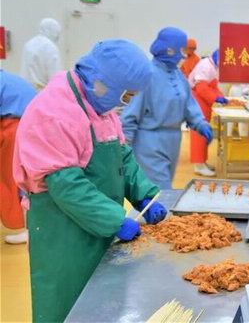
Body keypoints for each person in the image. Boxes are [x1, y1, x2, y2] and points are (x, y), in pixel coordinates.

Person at [12, 39, 168, 322]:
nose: (127, 103)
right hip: (63, 230)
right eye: (127, 95)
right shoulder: (54, 112)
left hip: (96, 222)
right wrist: (114, 220)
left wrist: (144, 194)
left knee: (101, 300)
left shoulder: (99, 105)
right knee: (67, 302)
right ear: (104, 84)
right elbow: (67, 185)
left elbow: (120, 155)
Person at [120, 27, 212, 189]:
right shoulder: (147, 75)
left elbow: (188, 104)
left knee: (162, 188)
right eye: (182, 50)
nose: (184, 55)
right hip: (150, 142)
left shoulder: (177, 75)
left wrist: (200, 124)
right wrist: (124, 149)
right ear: (170, 50)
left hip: (173, 141)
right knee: (160, 191)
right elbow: (130, 116)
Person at [0, 71, 36, 244]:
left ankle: (23, 227)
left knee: (11, 179)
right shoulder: (8, 78)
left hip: (16, 128)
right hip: (31, 125)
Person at [188, 48, 227, 176]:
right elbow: (202, 89)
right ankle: (198, 165)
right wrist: (216, 98)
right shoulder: (205, 66)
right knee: (199, 133)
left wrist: (222, 98)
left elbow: (213, 87)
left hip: (203, 101)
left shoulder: (213, 67)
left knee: (204, 133)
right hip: (197, 100)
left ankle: (202, 162)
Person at [21, 18, 61, 90]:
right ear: (51, 30)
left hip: (26, 89)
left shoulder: (28, 44)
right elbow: (55, 76)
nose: (57, 36)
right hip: (44, 91)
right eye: (56, 32)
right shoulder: (50, 47)